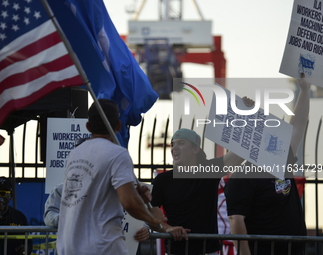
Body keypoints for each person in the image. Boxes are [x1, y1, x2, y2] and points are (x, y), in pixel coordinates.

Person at [56, 99, 163, 255]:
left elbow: (99, 194)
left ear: (88, 126)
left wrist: (136, 195)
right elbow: (129, 202)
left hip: (69, 246)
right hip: (102, 246)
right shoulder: (117, 154)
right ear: (118, 125)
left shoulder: (74, 153)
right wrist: (153, 218)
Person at [224, 75, 310, 255]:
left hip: (295, 250)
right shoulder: (243, 176)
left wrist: (304, 90)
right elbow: (236, 220)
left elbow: (297, 126)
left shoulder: (281, 158)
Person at [150, 126, 250, 255]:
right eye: (172, 144)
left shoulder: (209, 170)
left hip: (208, 251)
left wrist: (248, 122)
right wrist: (168, 228)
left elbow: (240, 153)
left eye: (181, 143)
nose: (174, 148)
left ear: (195, 149)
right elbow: (148, 216)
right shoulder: (162, 180)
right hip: (177, 251)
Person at [44, 183, 151, 245]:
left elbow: (135, 216)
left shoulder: (119, 191)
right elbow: (50, 214)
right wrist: (68, 220)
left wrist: (145, 229)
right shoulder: (62, 189)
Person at [0, 176, 33, 255]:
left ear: (11, 196)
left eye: (3, 193)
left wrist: (25, 249)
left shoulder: (19, 217)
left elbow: (28, 242)